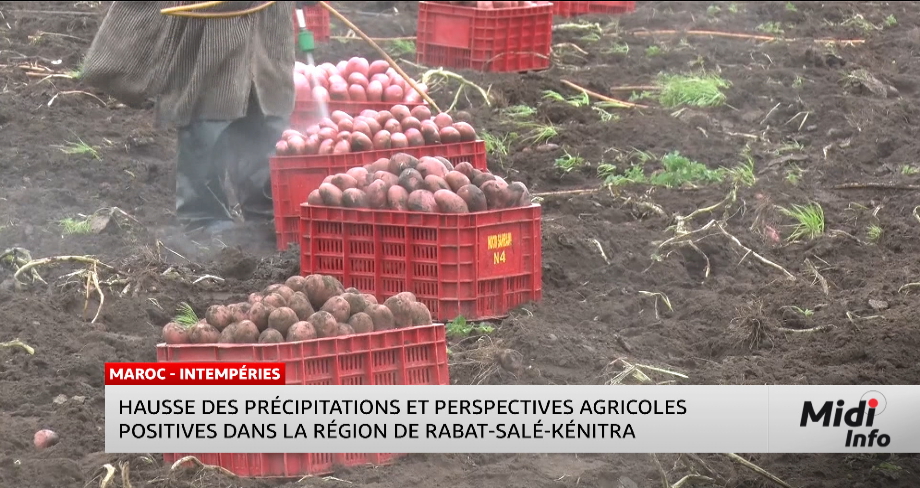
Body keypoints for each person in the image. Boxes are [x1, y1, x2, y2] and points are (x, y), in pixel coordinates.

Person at [81, 1, 318, 236]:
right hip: (212, 22)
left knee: (266, 107)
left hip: (268, 19)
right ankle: (204, 219)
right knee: (208, 104)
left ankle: (265, 214)